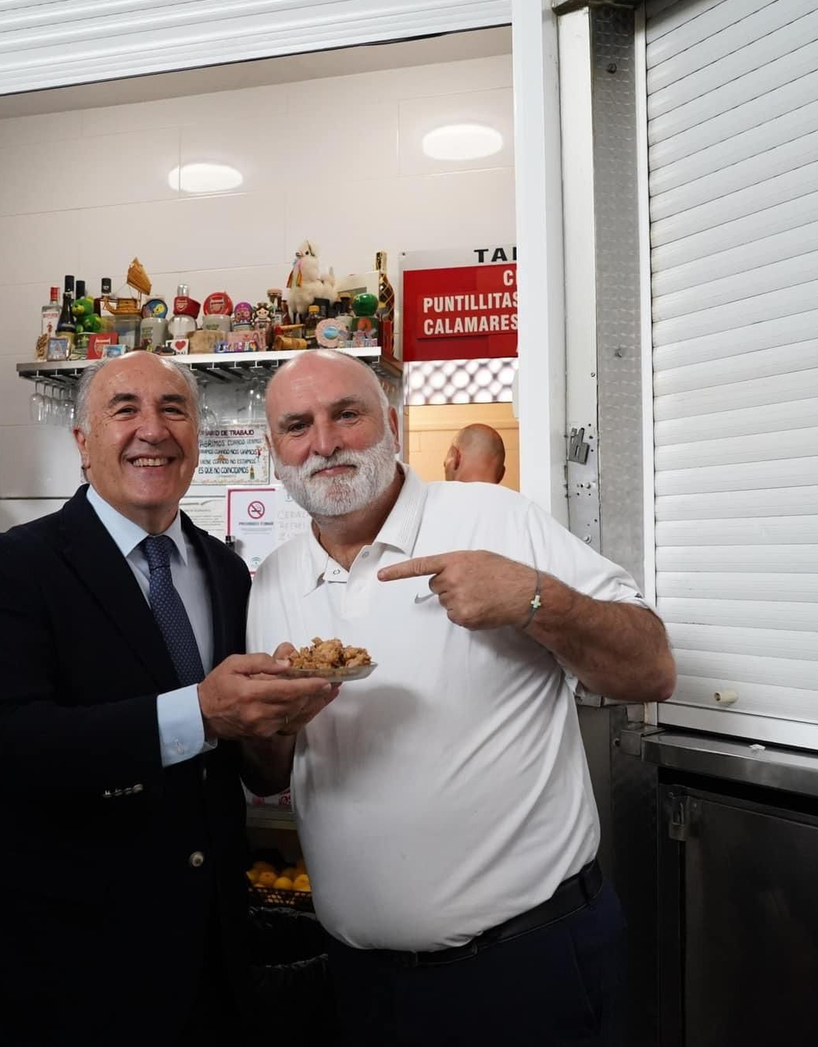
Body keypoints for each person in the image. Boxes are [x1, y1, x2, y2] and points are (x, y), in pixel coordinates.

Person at [248, 350, 676, 1046]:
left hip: (527, 969)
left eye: (346, 414)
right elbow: (269, 772)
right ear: (274, 452)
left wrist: (536, 600)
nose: (323, 442)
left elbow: (651, 667)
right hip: (362, 983)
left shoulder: (495, 520)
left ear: (389, 421)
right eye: (297, 425)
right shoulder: (271, 581)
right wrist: (269, 727)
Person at [0, 352, 337, 1044]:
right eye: (125, 409)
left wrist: (278, 728)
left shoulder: (226, 572)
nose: (152, 429)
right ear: (83, 443)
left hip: (210, 963)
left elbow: (252, 770)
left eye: (174, 409)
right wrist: (201, 712)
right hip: (69, 970)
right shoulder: (13, 565)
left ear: (196, 438)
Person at [443, 422, 507, 484]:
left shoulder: (435, 492)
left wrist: (451, 483)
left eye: (445, 464)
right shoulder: (514, 495)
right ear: (501, 474)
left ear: (456, 457)